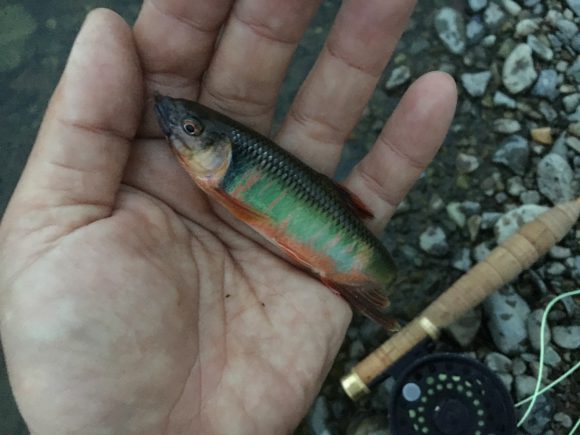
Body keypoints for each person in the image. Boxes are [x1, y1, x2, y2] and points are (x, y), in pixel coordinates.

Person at [0, 1, 456, 433]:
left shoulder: (224, 176)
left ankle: (395, 294)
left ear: (221, 147)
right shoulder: (213, 170)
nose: (179, 132)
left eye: (192, 131)